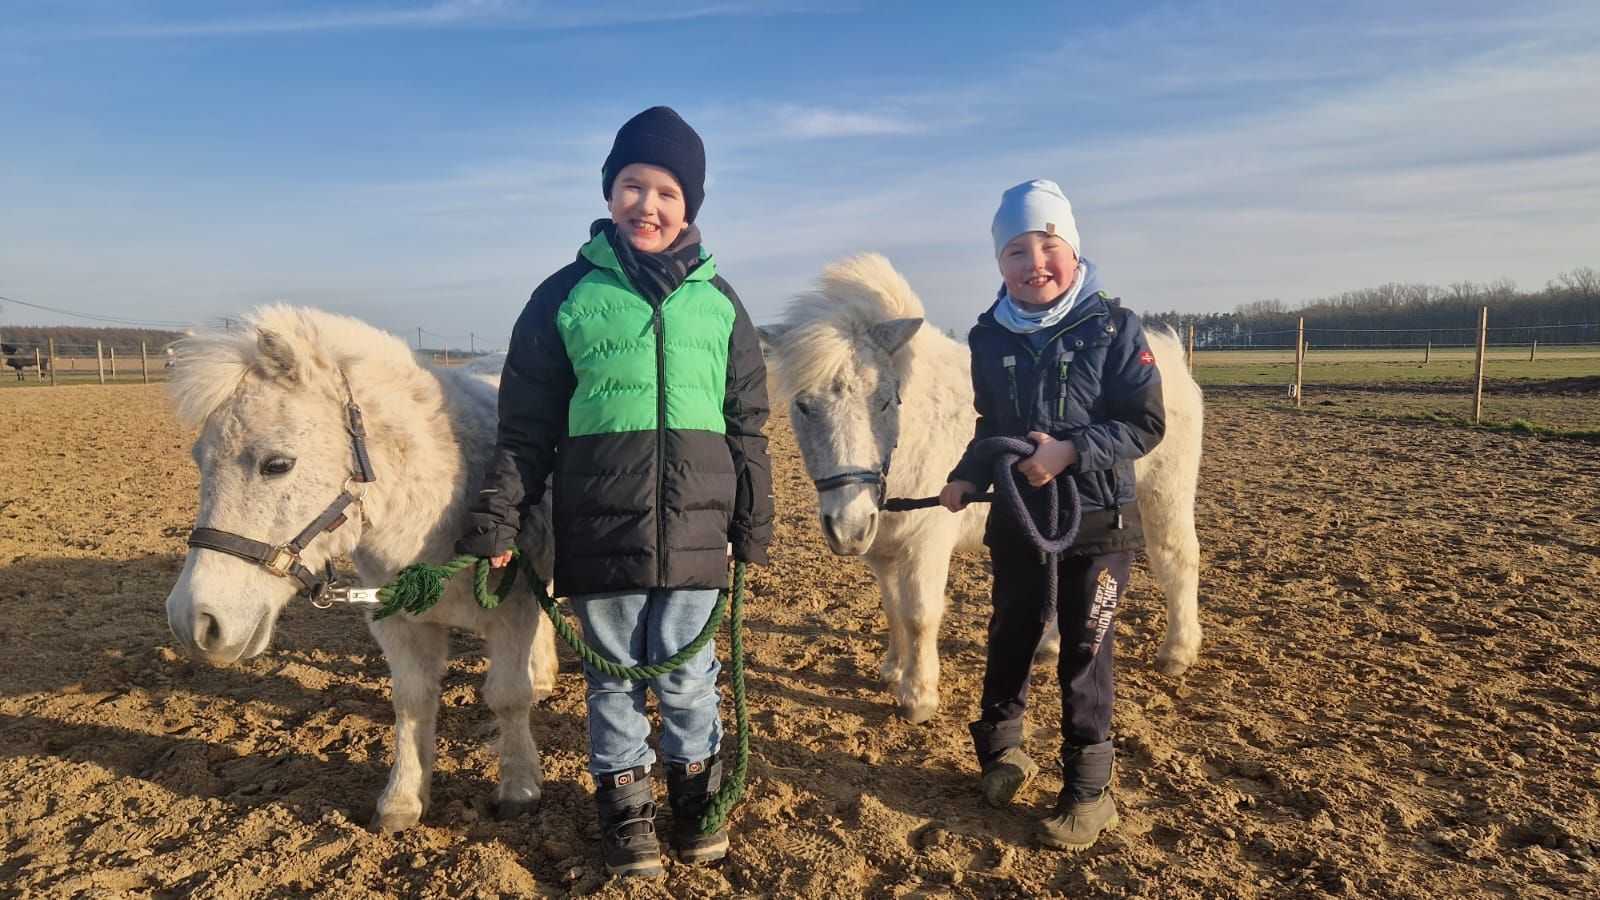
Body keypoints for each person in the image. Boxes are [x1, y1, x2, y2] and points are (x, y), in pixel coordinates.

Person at [456, 106, 774, 878]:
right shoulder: (563, 297)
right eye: (633, 185)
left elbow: (747, 426)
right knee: (612, 681)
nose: (648, 205)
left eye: (668, 192)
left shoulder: (721, 303)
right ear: (609, 191)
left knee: (689, 675)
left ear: (689, 206)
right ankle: (626, 812)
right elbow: (525, 430)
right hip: (600, 530)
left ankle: (696, 798)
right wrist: (499, 519)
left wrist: (753, 521)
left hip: (699, 531)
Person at [939, 179, 1165, 850]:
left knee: (1085, 650)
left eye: (1048, 246)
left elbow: (1145, 424)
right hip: (1018, 520)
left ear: (1072, 251)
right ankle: (1002, 752)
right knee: (1010, 633)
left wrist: (1071, 451)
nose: (1034, 263)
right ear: (999, 262)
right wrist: (968, 473)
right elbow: (991, 423)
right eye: (1016, 250)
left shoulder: (1114, 327)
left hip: (1097, 522)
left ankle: (1089, 791)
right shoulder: (988, 336)